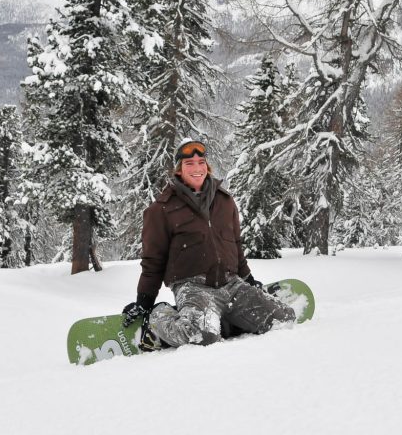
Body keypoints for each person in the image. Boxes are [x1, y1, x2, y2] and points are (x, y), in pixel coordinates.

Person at [122, 139, 296, 350]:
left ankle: (223, 320)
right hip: (193, 288)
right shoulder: (161, 210)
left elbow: (235, 246)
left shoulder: (225, 201)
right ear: (179, 170)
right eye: (189, 164)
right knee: (203, 338)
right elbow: (153, 261)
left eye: (201, 162)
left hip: (232, 285)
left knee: (283, 319)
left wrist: (249, 280)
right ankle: (160, 318)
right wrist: (145, 302)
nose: (197, 168)